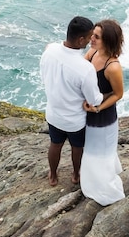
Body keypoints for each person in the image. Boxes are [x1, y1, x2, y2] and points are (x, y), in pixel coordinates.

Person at [40, 16, 104, 186]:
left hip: (53, 114)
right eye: (90, 36)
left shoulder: (50, 51)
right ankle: (76, 175)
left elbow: (44, 74)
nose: (92, 39)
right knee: (77, 148)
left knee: (55, 144)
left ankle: (53, 175)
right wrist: (109, 94)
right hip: (74, 120)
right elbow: (94, 99)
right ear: (80, 39)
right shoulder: (84, 68)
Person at [81, 19, 126, 205]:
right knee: (91, 149)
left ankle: (103, 185)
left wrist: (98, 108)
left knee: (101, 152)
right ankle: (90, 178)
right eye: (92, 35)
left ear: (107, 41)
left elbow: (118, 94)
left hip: (104, 116)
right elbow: (80, 72)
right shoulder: (92, 53)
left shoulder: (113, 66)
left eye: (96, 37)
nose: (91, 39)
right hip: (88, 111)